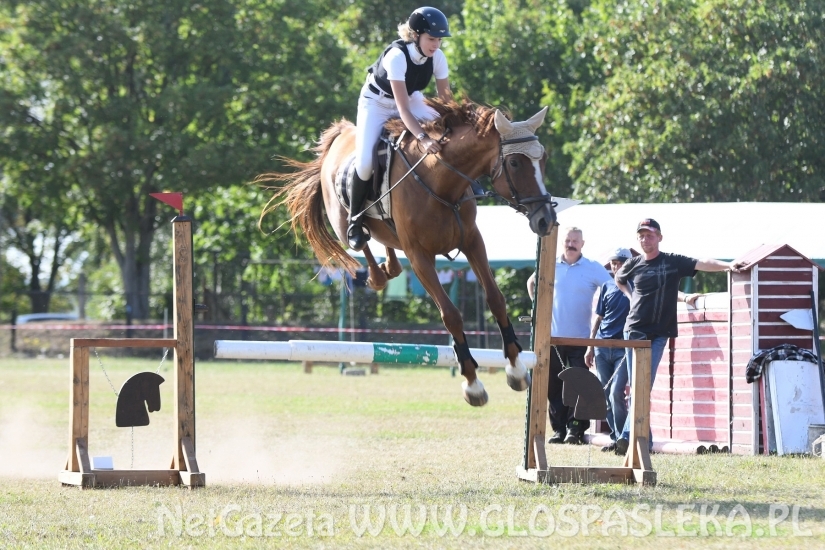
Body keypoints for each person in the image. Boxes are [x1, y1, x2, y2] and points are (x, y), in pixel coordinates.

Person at [612, 218, 743, 455]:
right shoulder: (633, 263)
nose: (645, 239)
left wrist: (728, 265)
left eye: (650, 235)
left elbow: (702, 262)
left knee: (644, 387)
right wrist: (630, 296)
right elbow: (619, 278)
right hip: (634, 330)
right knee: (638, 388)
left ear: (660, 237)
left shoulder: (672, 262)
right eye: (641, 236)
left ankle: (628, 436)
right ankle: (642, 442)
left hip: (659, 333)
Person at [347, 6, 453, 251]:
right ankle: (355, 220)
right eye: (431, 39)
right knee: (364, 162)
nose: (436, 44)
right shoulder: (396, 56)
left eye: (439, 39)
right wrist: (424, 138)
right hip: (377, 103)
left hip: (412, 98)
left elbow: (447, 102)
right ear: (415, 35)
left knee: (446, 127)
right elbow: (402, 110)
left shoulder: (437, 57)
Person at [527, 227, 611, 444]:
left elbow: (612, 288)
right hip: (551, 338)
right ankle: (559, 430)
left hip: (580, 339)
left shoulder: (592, 268)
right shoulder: (549, 264)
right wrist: (537, 309)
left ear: (583, 243)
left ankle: (576, 429)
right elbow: (531, 282)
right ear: (561, 242)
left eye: (575, 240)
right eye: (567, 240)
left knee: (578, 384)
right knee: (553, 386)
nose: (571, 244)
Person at [584, 248, 632, 453]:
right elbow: (599, 318)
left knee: (616, 393)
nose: (616, 266)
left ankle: (624, 438)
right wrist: (590, 346)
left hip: (623, 349)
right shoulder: (606, 286)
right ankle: (615, 437)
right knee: (604, 395)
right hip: (602, 348)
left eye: (620, 262)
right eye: (613, 262)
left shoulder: (636, 286)